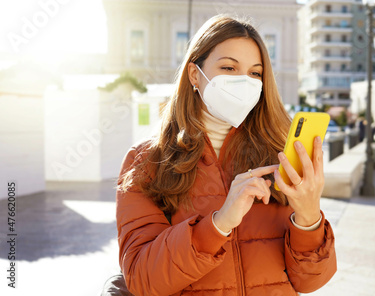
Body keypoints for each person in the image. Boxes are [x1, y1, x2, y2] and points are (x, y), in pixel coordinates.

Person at [115, 15, 337, 296]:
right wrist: (218, 224)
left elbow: (310, 281)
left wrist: (309, 217)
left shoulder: (279, 155)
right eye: (229, 67)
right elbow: (141, 280)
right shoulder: (146, 161)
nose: (243, 81)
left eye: (255, 73)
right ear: (195, 74)